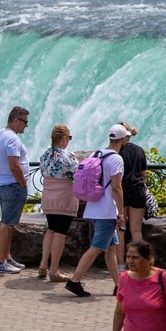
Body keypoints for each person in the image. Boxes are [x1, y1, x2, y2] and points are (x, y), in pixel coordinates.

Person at [64, 125, 128, 298]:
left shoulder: (96, 154)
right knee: (97, 247)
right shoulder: (116, 159)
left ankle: (119, 285)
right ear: (123, 140)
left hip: (94, 206)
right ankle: (75, 281)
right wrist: (120, 213)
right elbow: (116, 187)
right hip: (107, 211)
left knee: (111, 248)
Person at [0, 106, 29, 274]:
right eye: (25, 121)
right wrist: (22, 183)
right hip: (13, 185)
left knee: (9, 223)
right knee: (6, 224)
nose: (26, 126)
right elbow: (14, 165)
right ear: (15, 120)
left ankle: (6, 257)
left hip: (2, 183)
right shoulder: (13, 139)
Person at [38, 125, 78, 283]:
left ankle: (43, 265)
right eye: (69, 138)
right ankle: (54, 270)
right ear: (63, 138)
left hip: (49, 197)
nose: (69, 141)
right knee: (60, 234)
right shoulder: (67, 156)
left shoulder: (45, 155)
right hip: (64, 198)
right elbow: (78, 173)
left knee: (51, 230)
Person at [117, 122, 149, 266]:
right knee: (136, 230)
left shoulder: (117, 152)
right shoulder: (139, 150)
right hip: (137, 191)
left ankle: (121, 264)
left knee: (121, 229)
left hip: (121, 191)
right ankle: (140, 262)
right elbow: (143, 174)